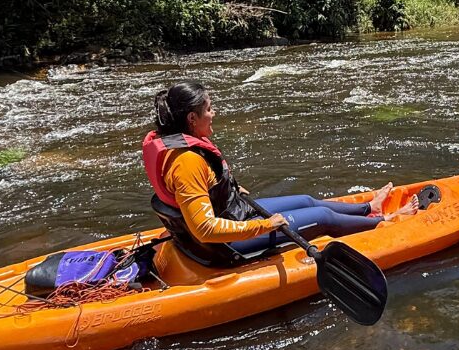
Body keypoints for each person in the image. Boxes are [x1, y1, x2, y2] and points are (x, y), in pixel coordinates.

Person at [142, 81, 418, 264]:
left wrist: (228, 188)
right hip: (227, 243)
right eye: (209, 109)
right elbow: (204, 230)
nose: (214, 113)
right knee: (323, 217)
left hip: (234, 211)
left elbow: (204, 187)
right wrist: (264, 226)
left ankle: (369, 207)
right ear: (192, 118)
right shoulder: (186, 162)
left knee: (307, 200)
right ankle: (385, 221)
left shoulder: (176, 143)